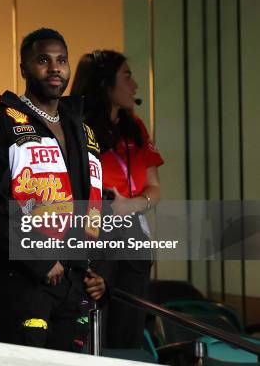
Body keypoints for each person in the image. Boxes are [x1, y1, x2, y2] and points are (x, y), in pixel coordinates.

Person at [0, 28, 107, 351]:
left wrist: (99, 272)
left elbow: (96, 207)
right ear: (24, 68)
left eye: (61, 60)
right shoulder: (0, 122)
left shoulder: (84, 132)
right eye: (43, 60)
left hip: (75, 284)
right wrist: (40, 257)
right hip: (24, 280)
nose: (55, 68)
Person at [71, 49, 163, 349]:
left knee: (129, 326)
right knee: (93, 323)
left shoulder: (134, 128)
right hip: (93, 229)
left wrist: (131, 205)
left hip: (134, 232)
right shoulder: (76, 127)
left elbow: (154, 188)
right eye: (127, 76)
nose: (134, 85)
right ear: (104, 84)